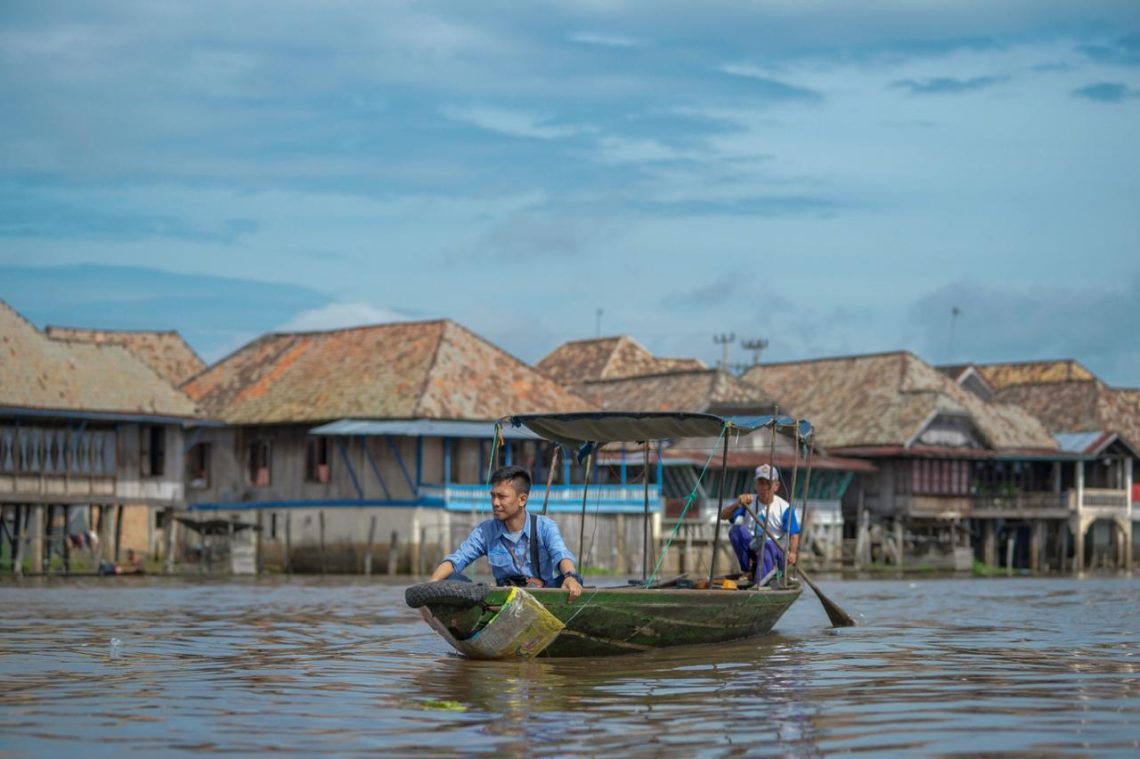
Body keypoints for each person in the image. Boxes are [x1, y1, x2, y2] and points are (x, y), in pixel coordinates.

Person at [429, 465, 584, 603]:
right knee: (448, 580)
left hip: (544, 596)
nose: (495, 503)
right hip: (504, 599)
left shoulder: (544, 526)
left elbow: (561, 555)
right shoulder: (486, 530)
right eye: (493, 496)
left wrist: (570, 576)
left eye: (502, 497)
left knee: (574, 581)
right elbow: (457, 560)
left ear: (522, 499)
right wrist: (431, 585)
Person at [719, 464, 800, 584]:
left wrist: (793, 553)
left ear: (776, 486)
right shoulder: (748, 502)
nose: (764, 488)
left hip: (776, 552)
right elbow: (723, 516)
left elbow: (794, 534)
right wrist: (737, 504)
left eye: (768, 483)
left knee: (767, 545)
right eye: (761, 483)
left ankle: (760, 584)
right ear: (756, 486)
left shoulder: (784, 508)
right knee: (736, 531)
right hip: (754, 547)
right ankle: (747, 571)